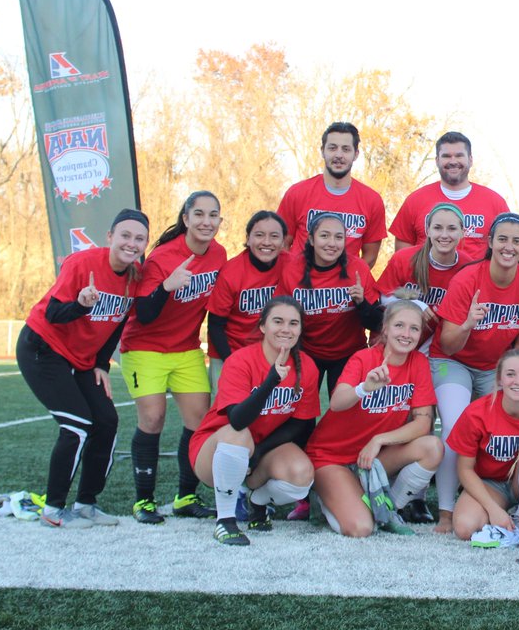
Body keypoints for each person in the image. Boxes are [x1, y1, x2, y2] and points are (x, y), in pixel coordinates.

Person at [17, 209, 149, 528]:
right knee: (77, 424)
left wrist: (102, 364)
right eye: (125, 235)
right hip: (43, 349)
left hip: (81, 360)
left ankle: (86, 503)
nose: (132, 243)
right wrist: (81, 304)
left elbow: (117, 324)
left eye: (139, 238)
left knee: (106, 421)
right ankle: (53, 509)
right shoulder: (82, 263)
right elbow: (52, 314)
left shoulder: (135, 275)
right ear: (110, 237)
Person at [432, 212, 519, 532]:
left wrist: (509, 380)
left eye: (516, 241)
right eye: (502, 239)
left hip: (495, 367)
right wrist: (469, 323)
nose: (509, 247)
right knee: (456, 423)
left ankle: (515, 497)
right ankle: (445, 510)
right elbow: (448, 343)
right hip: (452, 360)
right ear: (490, 242)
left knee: (509, 423)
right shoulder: (468, 279)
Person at [120, 192, 228, 524]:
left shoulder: (220, 255)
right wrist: (166, 286)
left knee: (199, 422)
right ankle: (144, 501)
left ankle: (185, 496)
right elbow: (146, 314)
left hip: (185, 350)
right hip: (145, 348)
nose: (206, 221)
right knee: (152, 418)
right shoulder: (163, 257)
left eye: (213, 215)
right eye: (199, 214)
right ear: (185, 218)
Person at [189, 296, 319, 546]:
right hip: (217, 448)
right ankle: (225, 521)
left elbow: (299, 423)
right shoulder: (241, 360)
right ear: (262, 326)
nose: (286, 329)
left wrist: (259, 452)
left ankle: (257, 502)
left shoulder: (307, 366)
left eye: (293, 323)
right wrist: (271, 381)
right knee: (239, 437)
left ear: (301, 329)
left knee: (302, 475)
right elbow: (237, 420)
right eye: (277, 321)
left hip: (260, 448)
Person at [307, 299, 442, 537]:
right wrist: (364, 388)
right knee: (361, 528)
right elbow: (337, 403)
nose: (406, 334)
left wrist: (379, 439)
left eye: (414, 328)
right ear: (386, 328)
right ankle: (325, 498)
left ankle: (390, 510)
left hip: (370, 457)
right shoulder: (364, 358)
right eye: (400, 325)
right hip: (332, 458)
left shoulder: (418, 362)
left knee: (432, 447)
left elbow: (423, 423)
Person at [446, 350, 519, 544]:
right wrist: (493, 509)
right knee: (464, 528)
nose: (518, 381)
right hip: (491, 484)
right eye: (510, 374)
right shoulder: (477, 412)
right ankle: (507, 512)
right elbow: (464, 470)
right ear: (499, 379)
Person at [276, 212, 382, 394]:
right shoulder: (293, 269)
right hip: (306, 352)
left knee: (345, 415)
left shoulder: (358, 268)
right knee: (300, 414)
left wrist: (361, 303)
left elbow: (378, 322)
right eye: (324, 236)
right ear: (311, 239)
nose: (332, 243)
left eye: (338, 237)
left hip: (348, 353)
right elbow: (280, 317)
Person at [277, 121, 387, 264]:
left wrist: (349, 281)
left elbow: (370, 256)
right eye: (332, 148)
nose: (339, 155)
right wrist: (292, 277)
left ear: (356, 154)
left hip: (344, 284)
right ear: (323, 151)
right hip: (301, 282)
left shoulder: (372, 200)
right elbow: (282, 244)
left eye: (346, 149)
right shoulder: (297, 193)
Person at [390, 131, 509, 261]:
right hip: (426, 279)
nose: (453, 161)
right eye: (446, 156)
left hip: (475, 280)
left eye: (459, 156)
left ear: (470, 160)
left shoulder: (494, 202)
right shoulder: (416, 200)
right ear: (437, 160)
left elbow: (507, 248)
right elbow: (402, 255)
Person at [206, 211, 288, 389]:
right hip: (230, 350)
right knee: (229, 412)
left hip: (273, 352)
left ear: (283, 241)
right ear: (248, 238)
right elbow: (215, 324)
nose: (266, 242)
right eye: (259, 235)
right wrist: (231, 361)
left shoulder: (292, 265)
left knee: (272, 410)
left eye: (274, 236)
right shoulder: (231, 272)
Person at [375, 202, 467, 355]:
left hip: (436, 349)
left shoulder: (467, 266)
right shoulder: (404, 258)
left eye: (452, 228)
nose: (444, 235)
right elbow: (384, 297)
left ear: (462, 232)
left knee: (437, 376)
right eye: (437, 228)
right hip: (393, 343)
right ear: (428, 230)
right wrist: (416, 304)